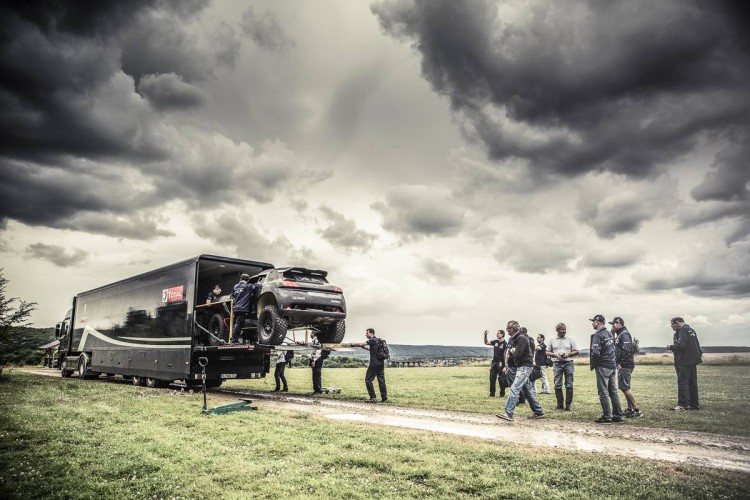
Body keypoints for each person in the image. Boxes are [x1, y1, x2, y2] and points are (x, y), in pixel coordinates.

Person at [496, 320, 545, 421]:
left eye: (508, 329)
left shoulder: (521, 338)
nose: (507, 330)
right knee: (527, 391)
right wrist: (513, 351)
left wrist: (511, 350)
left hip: (525, 367)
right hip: (522, 366)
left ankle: (508, 413)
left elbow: (517, 355)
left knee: (515, 388)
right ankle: (538, 412)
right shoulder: (515, 338)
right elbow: (516, 353)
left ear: (513, 329)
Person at [589, 314, 623, 424]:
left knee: (603, 391)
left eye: (593, 321)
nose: (592, 323)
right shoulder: (609, 333)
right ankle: (617, 415)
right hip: (612, 365)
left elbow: (595, 352)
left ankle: (607, 416)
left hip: (602, 365)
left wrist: (594, 364)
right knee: (613, 391)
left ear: (598, 322)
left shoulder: (597, 335)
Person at [667, 317, 702, 411]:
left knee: (682, 382)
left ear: (678, 322)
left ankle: (682, 405)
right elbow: (697, 346)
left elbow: (682, 345)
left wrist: (671, 347)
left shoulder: (682, 330)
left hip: (684, 361)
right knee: (692, 383)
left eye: (672, 324)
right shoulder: (691, 330)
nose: (672, 327)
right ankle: (694, 404)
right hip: (693, 360)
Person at [610, 317, 642, 418]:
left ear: (619, 323)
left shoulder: (624, 334)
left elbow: (627, 350)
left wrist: (621, 363)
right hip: (624, 364)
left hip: (625, 365)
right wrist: (612, 334)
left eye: (614, 324)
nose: (612, 326)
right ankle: (630, 409)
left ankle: (636, 410)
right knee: (625, 386)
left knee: (624, 387)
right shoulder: (620, 333)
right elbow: (615, 345)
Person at [547, 322, 579, 410]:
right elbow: (547, 352)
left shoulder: (570, 339)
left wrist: (568, 354)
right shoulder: (552, 340)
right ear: (557, 330)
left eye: (565, 329)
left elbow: (577, 351)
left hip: (568, 363)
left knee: (569, 384)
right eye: (562, 329)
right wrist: (555, 354)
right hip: (557, 363)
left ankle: (568, 405)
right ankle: (560, 404)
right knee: (557, 384)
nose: (564, 331)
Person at [230, 273, 258, 344]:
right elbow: (257, 286)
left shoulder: (235, 286)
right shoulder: (247, 286)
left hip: (235, 307)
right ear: (247, 280)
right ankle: (234, 340)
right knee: (239, 324)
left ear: (240, 279)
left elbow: (232, 296)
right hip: (242, 308)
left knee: (237, 323)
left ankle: (233, 337)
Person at [362, 328, 387, 403]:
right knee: (381, 381)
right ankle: (384, 397)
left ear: (371, 333)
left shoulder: (372, 340)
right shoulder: (378, 340)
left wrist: (352, 343)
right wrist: (363, 348)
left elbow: (361, 343)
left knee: (368, 380)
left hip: (374, 364)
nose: (366, 334)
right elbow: (372, 350)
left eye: (367, 333)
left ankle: (373, 398)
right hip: (381, 363)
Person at [484, 329, 508, 397]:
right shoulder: (496, 342)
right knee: (492, 378)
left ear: (502, 334)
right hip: (494, 362)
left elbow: (506, 355)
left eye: (498, 333)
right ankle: (492, 394)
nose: (496, 335)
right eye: (497, 333)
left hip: (501, 363)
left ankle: (502, 394)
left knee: (501, 379)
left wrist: (505, 366)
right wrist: (485, 335)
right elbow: (486, 342)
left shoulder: (505, 344)